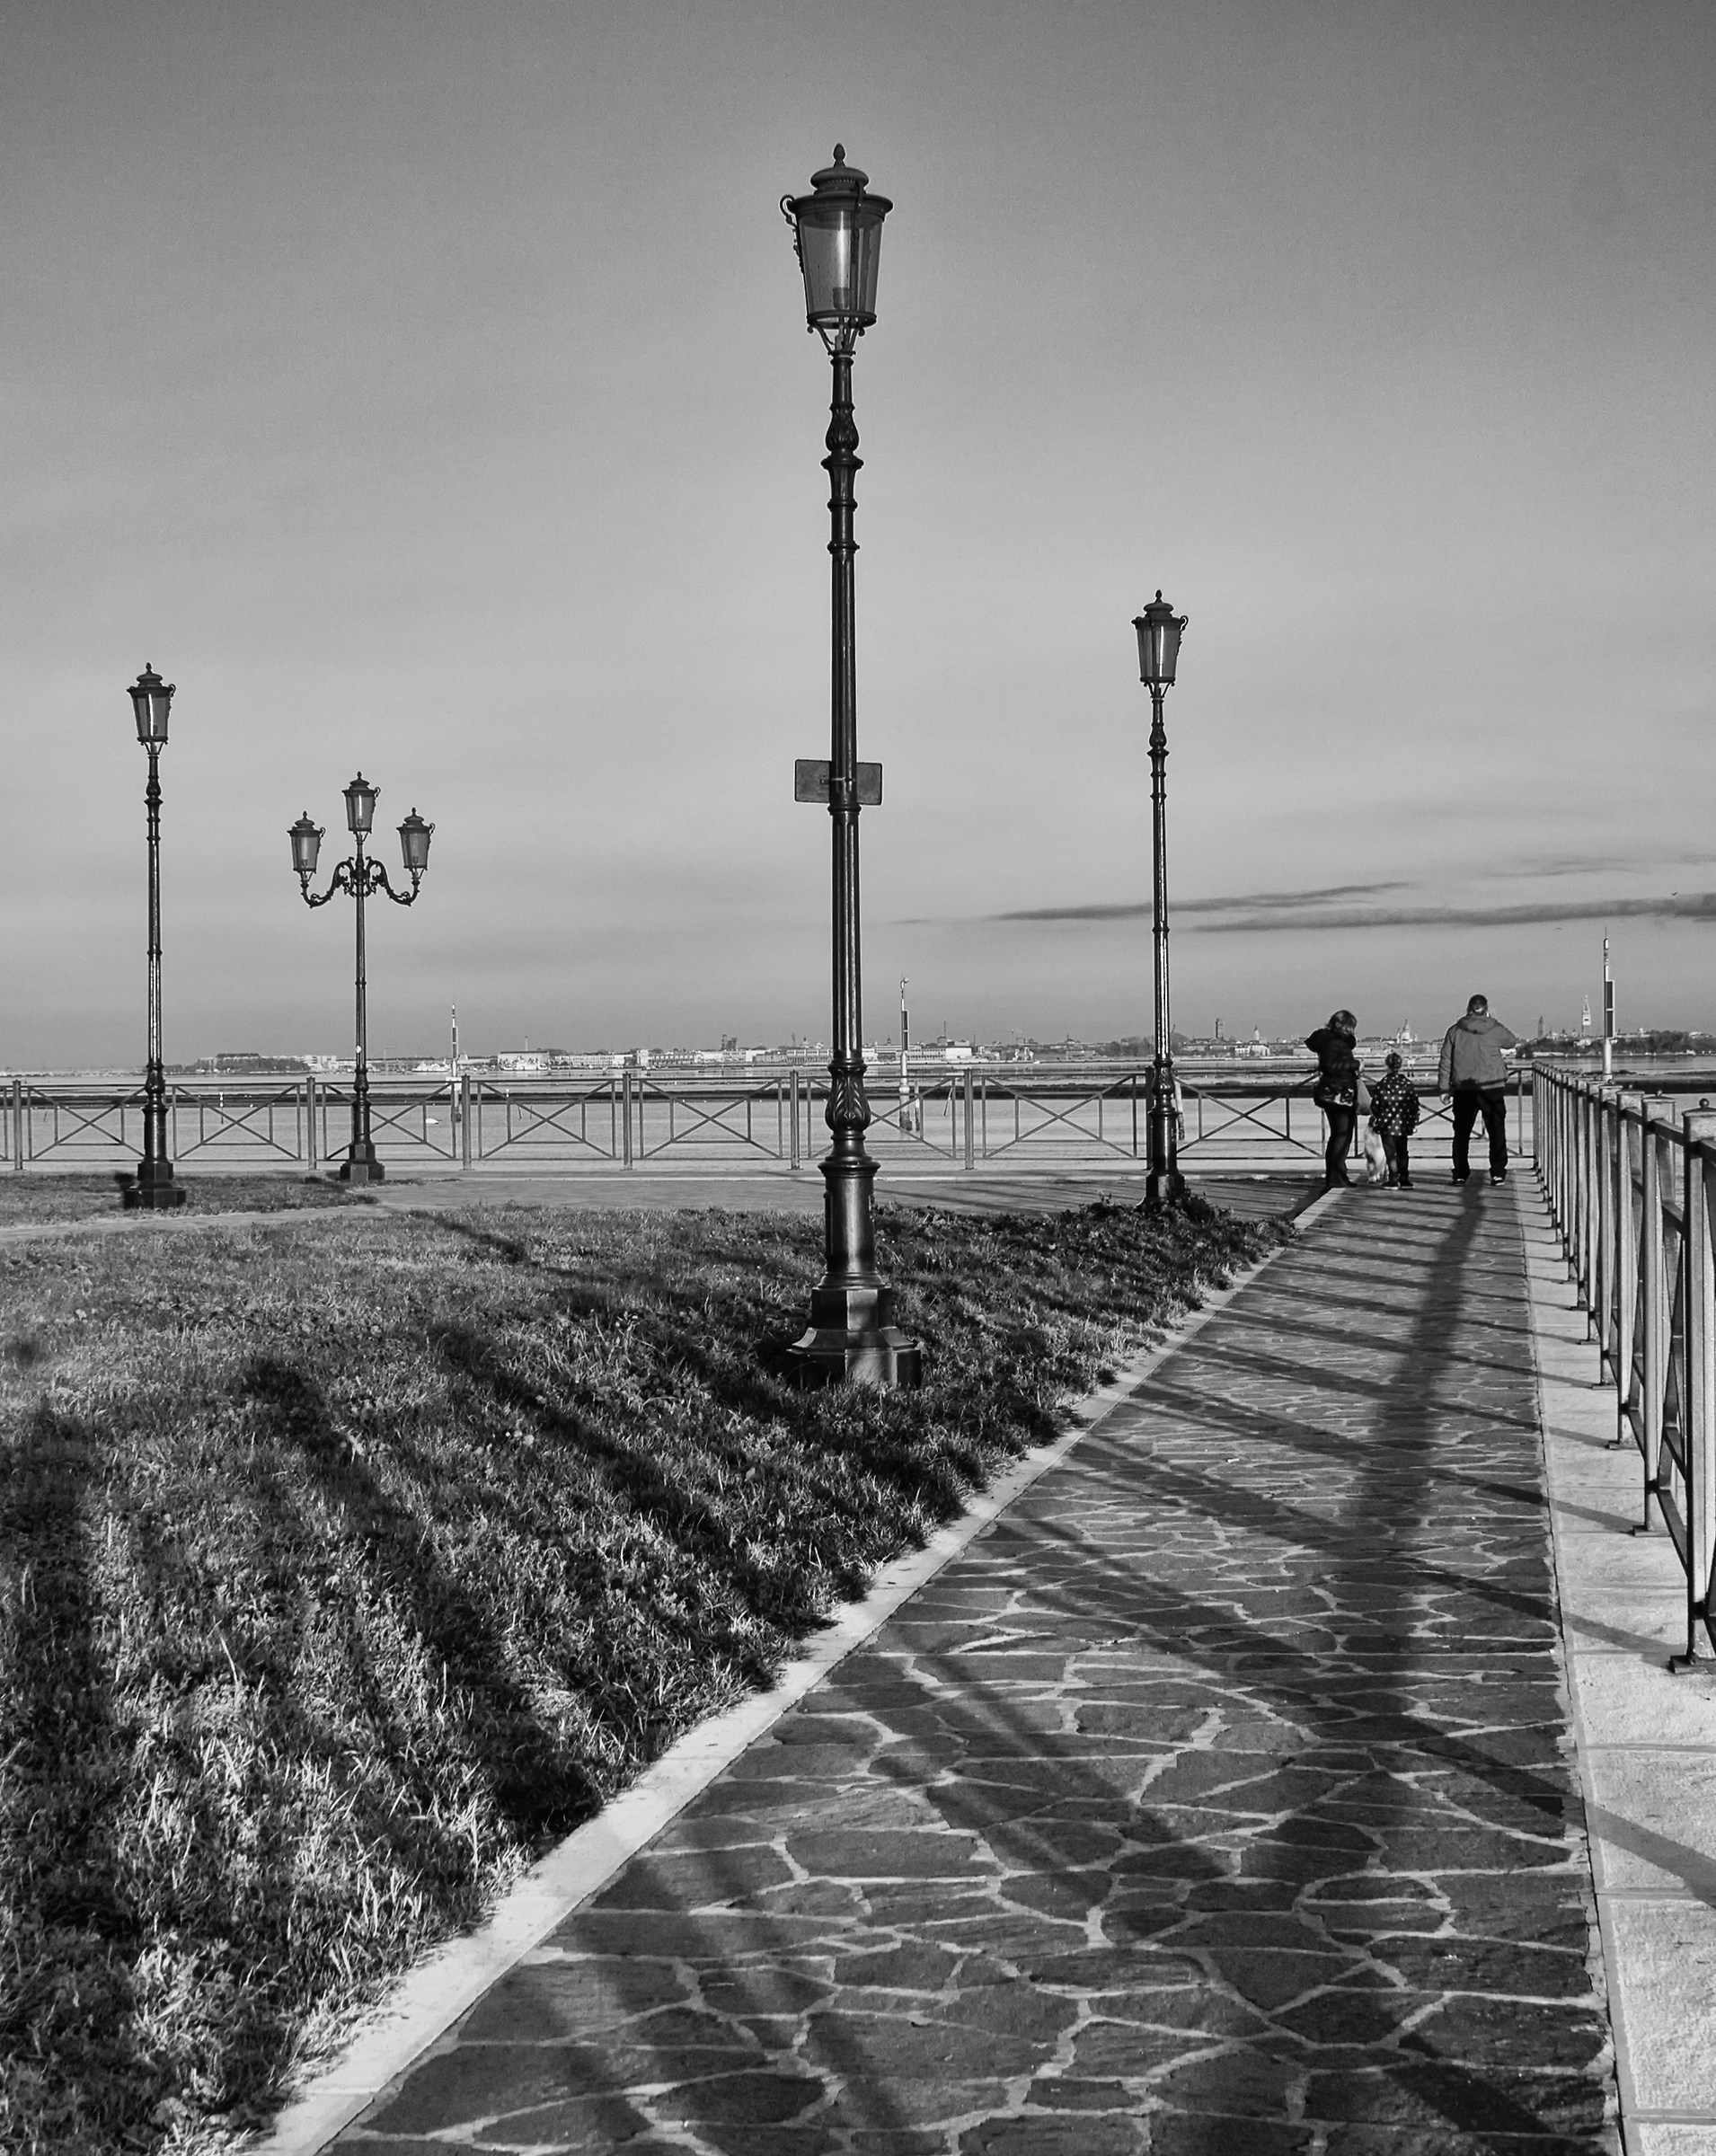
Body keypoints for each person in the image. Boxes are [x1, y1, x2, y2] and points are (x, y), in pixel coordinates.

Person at [1437, 993, 1518, 1185]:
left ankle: (1460, 1173)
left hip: (1464, 1088)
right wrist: (1492, 1021)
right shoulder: (1495, 1028)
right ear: (1486, 1009)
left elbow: (1445, 1061)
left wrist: (1443, 1089)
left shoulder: (1455, 1031)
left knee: (1461, 1132)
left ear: (1468, 1009)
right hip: (1492, 1086)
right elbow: (1511, 1042)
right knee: (1496, 1130)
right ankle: (1498, 1171)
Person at [1305, 1009, 1366, 1188]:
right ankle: (1336, 1177)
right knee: (1342, 1135)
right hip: (1339, 1094)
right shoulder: (1333, 1042)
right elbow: (1330, 1065)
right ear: (1342, 1025)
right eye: (1350, 1027)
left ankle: (1337, 1175)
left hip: (1335, 1092)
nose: (1352, 1031)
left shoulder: (1332, 1041)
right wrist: (1356, 1064)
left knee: (1339, 1135)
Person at [1367, 1049, 1420, 1188]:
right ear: (1400, 1065)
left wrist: (1377, 1116)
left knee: (1390, 1152)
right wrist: (1414, 1120)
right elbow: (1414, 1103)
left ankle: (1393, 1178)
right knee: (1403, 1151)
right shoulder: (1407, 1084)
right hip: (1403, 1123)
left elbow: (1375, 1105)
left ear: (1386, 1066)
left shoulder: (1382, 1084)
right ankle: (1405, 1178)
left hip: (1386, 1124)